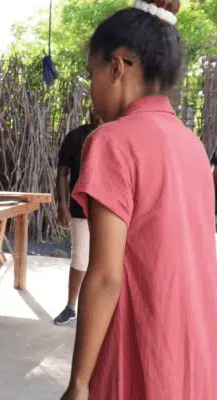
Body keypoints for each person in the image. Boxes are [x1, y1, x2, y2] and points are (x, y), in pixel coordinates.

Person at [62, 1, 217, 399]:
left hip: (139, 353)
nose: (92, 86)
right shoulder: (192, 146)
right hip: (193, 356)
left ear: (117, 67)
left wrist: (79, 381)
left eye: (92, 71)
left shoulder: (111, 142)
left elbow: (106, 277)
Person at [54, 110, 101, 325]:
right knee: (80, 258)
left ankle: (103, 310)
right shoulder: (75, 137)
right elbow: (62, 173)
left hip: (109, 210)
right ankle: (71, 306)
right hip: (81, 208)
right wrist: (62, 205)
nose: (96, 114)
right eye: (93, 110)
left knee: (107, 261)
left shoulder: (115, 134)